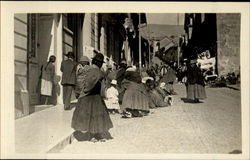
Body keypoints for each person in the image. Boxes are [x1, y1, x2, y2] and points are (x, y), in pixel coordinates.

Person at [71, 52, 113, 142]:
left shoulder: (94, 69)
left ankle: (97, 134)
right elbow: (89, 83)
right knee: (93, 116)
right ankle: (92, 136)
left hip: (95, 96)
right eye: (101, 62)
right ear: (98, 63)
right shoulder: (94, 70)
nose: (101, 64)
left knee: (95, 116)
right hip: (90, 96)